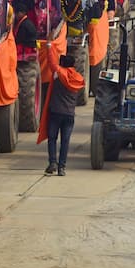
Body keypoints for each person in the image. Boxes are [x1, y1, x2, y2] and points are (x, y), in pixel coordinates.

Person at [43, 41, 85, 176]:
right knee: (65, 141)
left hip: (56, 112)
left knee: (52, 138)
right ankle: (62, 168)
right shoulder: (78, 78)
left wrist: (49, 47)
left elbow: (51, 63)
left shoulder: (59, 74)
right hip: (70, 114)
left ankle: (52, 163)